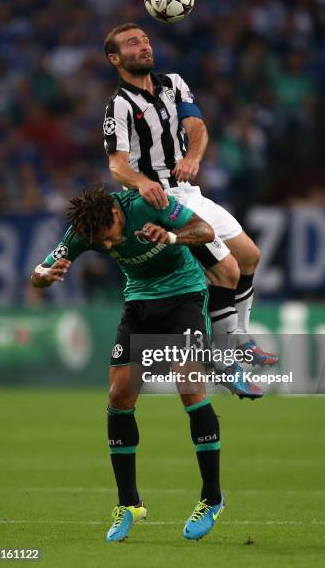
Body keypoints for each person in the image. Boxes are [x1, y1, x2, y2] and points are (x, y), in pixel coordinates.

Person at [31, 185, 236, 542]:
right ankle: (129, 504)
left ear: (115, 214)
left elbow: (205, 231)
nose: (109, 247)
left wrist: (171, 236)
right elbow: (39, 272)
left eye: (110, 238)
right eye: (102, 244)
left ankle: (212, 498)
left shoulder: (147, 204)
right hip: (139, 303)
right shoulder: (85, 231)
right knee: (119, 394)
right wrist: (44, 278)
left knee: (188, 385)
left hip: (184, 296)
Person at [101, 22, 277, 394]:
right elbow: (116, 164)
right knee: (226, 269)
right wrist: (143, 182)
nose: (144, 46)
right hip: (159, 203)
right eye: (133, 43)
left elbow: (196, 126)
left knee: (248, 257)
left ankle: (239, 339)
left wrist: (194, 157)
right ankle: (224, 359)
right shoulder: (118, 105)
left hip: (187, 191)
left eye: (146, 40)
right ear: (115, 58)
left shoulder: (173, 82)